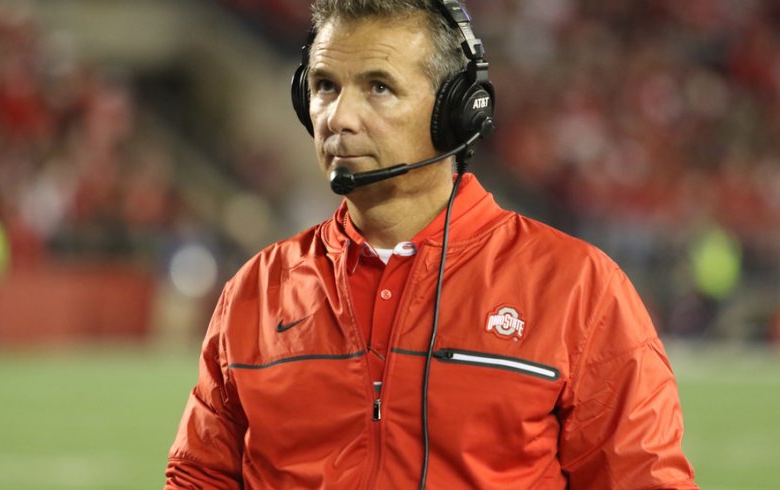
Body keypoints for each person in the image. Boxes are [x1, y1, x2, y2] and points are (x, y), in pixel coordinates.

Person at [164, 1, 698, 488]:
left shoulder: (578, 286)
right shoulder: (256, 290)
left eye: (379, 87)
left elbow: (642, 479)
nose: (340, 119)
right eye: (326, 86)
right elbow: (200, 475)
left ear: (457, 110)